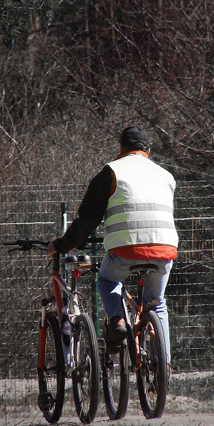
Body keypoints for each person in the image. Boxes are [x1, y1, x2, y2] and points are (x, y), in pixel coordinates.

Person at [47, 126, 178, 365]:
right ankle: (164, 366)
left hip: (125, 251)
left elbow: (88, 220)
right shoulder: (166, 175)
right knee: (157, 303)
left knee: (107, 280)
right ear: (147, 151)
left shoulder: (112, 172)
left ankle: (117, 320)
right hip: (164, 250)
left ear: (121, 149)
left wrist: (63, 244)